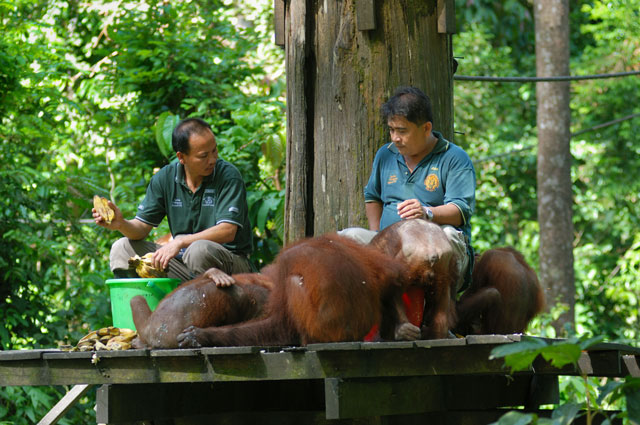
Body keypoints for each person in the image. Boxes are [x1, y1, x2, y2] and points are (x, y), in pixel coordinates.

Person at [340, 86, 476, 290]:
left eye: (402, 131)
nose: (395, 137)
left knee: (447, 237)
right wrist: (377, 234)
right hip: (390, 245)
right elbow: (372, 196)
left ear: (426, 128)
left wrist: (427, 213)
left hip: (435, 243)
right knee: (344, 239)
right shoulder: (385, 155)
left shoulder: (455, 158)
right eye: (392, 130)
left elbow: (461, 210)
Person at [94, 117, 253, 282]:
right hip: (184, 264)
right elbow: (141, 228)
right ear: (181, 157)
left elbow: (227, 231)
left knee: (198, 249)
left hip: (230, 262)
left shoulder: (228, 176)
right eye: (203, 156)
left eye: (214, 151)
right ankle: (136, 303)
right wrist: (121, 223)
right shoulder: (165, 179)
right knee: (122, 248)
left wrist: (181, 241)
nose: (212, 159)